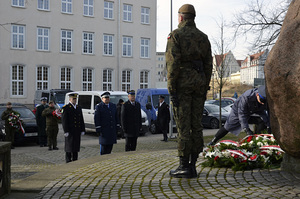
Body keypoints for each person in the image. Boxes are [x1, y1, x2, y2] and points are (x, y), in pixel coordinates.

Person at [166, 4, 213, 178]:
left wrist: (171, 89)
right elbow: (209, 65)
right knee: (197, 126)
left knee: (183, 127)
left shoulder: (175, 36)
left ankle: (183, 166)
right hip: (199, 86)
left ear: (181, 18)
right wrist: (204, 84)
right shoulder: (203, 37)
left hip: (183, 87)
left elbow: (173, 65)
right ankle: (193, 165)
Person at [61, 93, 85, 163]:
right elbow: (64, 120)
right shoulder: (66, 108)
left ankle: (75, 160)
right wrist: (66, 131)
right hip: (70, 131)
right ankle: (68, 160)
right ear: (70, 99)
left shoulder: (78, 107)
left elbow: (81, 119)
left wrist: (82, 129)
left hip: (77, 130)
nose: (75, 100)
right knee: (69, 147)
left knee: (76, 146)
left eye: (75, 99)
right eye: (73, 99)